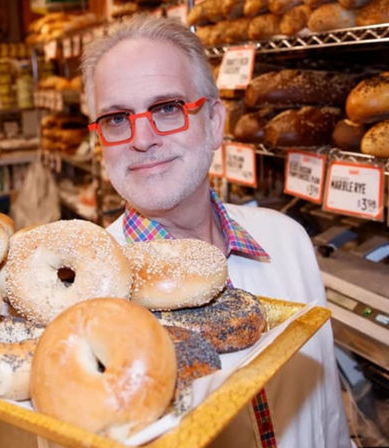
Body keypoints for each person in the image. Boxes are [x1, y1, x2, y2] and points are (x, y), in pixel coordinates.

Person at [81, 16, 351, 448]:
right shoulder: (84, 302)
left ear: (213, 123)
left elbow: (327, 416)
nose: (142, 138)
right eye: (116, 118)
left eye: (167, 108)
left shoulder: (287, 241)